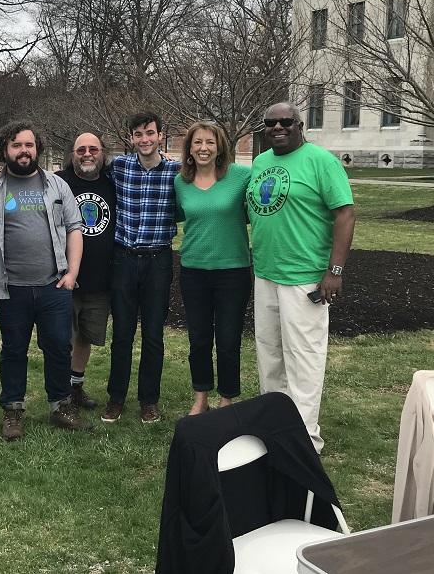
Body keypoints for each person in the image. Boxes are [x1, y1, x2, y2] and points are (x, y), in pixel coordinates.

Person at [246, 102, 355, 453]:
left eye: (285, 121)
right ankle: (275, 429)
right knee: (269, 354)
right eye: (271, 122)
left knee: (303, 358)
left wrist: (334, 271)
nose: (278, 127)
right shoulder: (260, 162)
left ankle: (305, 440)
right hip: (266, 273)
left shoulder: (321, 161)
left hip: (305, 278)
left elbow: (345, 214)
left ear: (299, 125)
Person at [0, 121, 91, 441]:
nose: (24, 151)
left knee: (58, 347)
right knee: (14, 350)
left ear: (37, 149)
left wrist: (72, 274)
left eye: (29, 145)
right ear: (5, 151)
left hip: (54, 285)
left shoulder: (56, 185)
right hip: (11, 287)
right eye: (16, 145)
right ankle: (12, 410)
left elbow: (74, 228)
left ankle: (61, 406)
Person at [102, 111, 181, 424]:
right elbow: (83, 171)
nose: (145, 139)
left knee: (153, 335)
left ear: (160, 135)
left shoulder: (176, 171)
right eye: (138, 134)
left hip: (158, 260)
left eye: (150, 133)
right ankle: (116, 398)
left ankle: (149, 400)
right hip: (123, 258)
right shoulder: (119, 167)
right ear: (131, 138)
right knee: (122, 333)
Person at [174, 121, 252, 416]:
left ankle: (227, 400)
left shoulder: (241, 176)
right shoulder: (180, 182)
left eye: (210, 142)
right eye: (197, 142)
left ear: (220, 147)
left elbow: (259, 207)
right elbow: (180, 215)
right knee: (199, 339)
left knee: (228, 340)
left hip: (232, 271)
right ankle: (200, 398)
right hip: (193, 270)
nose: (203, 148)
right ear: (189, 148)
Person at [55, 133, 116, 410]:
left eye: (93, 149)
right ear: (72, 154)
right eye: (81, 150)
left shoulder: (112, 183)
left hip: (100, 279)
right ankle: (60, 392)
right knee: (62, 339)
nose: (87, 154)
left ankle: (76, 387)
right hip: (63, 277)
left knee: (85, 337)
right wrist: (0, 172)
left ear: (102, 153)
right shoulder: (58, 182)